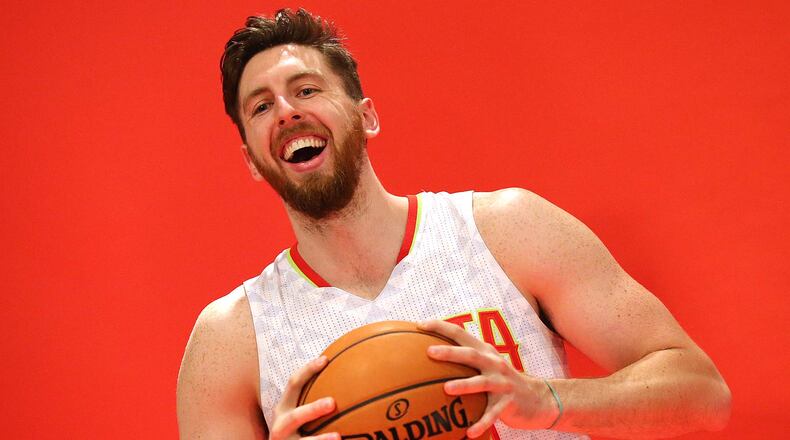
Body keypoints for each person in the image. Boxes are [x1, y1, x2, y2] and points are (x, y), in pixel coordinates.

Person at [177, 8, 731, 440]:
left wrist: (548, 401)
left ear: (365, 116)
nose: (287, 112)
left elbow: (702, 393)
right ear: (251, 158)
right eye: (261, 107)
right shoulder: (231, 338)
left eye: (306, 89)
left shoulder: (507, 230)